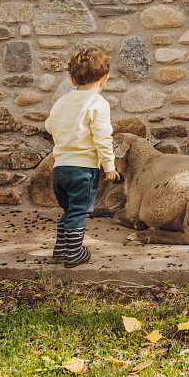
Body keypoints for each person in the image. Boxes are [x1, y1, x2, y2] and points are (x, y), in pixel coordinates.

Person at [44, 47, 120, 268]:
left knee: (69, 211)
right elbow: (103, 139)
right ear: (104, 79)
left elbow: (49, 126)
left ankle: (60, 250)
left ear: (71, 78)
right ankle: (74, 253)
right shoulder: (98, 104)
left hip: (59, 170)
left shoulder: (61, 101)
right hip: (84, 170)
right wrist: (110, 167)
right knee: (79, 213)